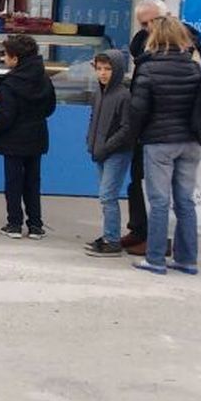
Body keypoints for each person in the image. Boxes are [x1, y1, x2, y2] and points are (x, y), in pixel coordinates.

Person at [122, 0, 201, 254]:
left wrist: (131, 129)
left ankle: (157, 251)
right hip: (177, 133)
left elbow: (142, 102)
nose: (148, 28)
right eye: (143, 23)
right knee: (146, 185)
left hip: (161, 132)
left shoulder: (184, 49)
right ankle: (148, 235)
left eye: (151, 22)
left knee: (160, 198)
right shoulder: (142, 44)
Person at [0, 34, 56, 239]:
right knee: (33, 181)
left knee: (13, 182)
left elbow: (5, 115)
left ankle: (14, 223)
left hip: (13, 139)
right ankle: (35, 225)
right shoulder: (44, 79)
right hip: (37, 136)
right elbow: (50, 107)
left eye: (6, 55)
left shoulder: (10, 84)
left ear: (16, 58)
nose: (4, 59)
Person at [83, 50, 133, 258]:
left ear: (118, 70)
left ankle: (112, 240)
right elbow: (94, 118)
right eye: (99, 69)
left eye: (108, 69)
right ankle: (107, 235)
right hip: (101, 150)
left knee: (107, 196)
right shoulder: (99, 93)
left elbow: (126, 129)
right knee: (105, 196)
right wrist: (91, 141)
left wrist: (106, 147)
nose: (103, 73)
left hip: (116, 152)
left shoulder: (123, 95)